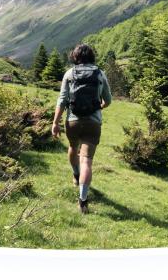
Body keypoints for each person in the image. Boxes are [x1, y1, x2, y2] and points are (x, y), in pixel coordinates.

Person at [52, 44, 112, 214]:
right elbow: (108, 100)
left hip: (73, 121)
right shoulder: (100, 74)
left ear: (75, 57)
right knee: (87, 161)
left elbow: (62, 100)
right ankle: (83, 200)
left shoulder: (69, 74)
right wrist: (98, 107)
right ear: (92, 56)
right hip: (93, 123)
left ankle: (76, 175)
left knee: (72, 148)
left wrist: (55, 123)